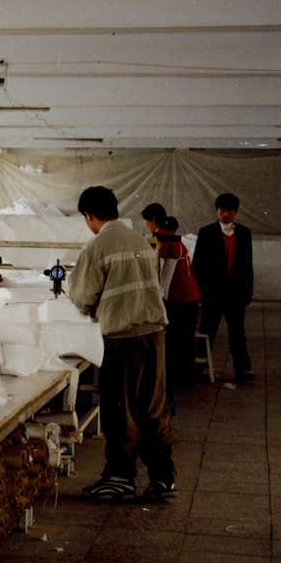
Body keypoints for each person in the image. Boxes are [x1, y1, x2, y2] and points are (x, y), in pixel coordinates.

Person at [68, 187, 176, 500]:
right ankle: (163, 477)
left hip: (123, 339)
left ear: (89, 216)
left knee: (121, 410)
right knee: (153, 407)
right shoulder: (141, 241)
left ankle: (120, 478)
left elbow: (82, 298)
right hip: (154, 334)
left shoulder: (98, 246)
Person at [192, 193, 255, 385]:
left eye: (229, 211)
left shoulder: (244, 233)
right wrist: (199, 292)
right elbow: (198, 264)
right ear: (216, 210)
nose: (225, 214)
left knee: (237, 331)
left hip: (236, 293)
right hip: (212, 293)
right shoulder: (206, 232)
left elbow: (248, 264)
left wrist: (248, 290)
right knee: (207, 329)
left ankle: (242, 368)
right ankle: (200, 366)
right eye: (222, 210)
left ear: (235, 212)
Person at [142, 203, 201, 391]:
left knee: (175, 339)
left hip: (178, 296)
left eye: (145, 221)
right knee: (185, 339)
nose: (145, 225)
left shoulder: (160, 237)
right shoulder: (173, 236)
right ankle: (185, 378)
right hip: (190, 295)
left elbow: (157, 268)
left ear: (152, 220)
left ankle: (176, 380)